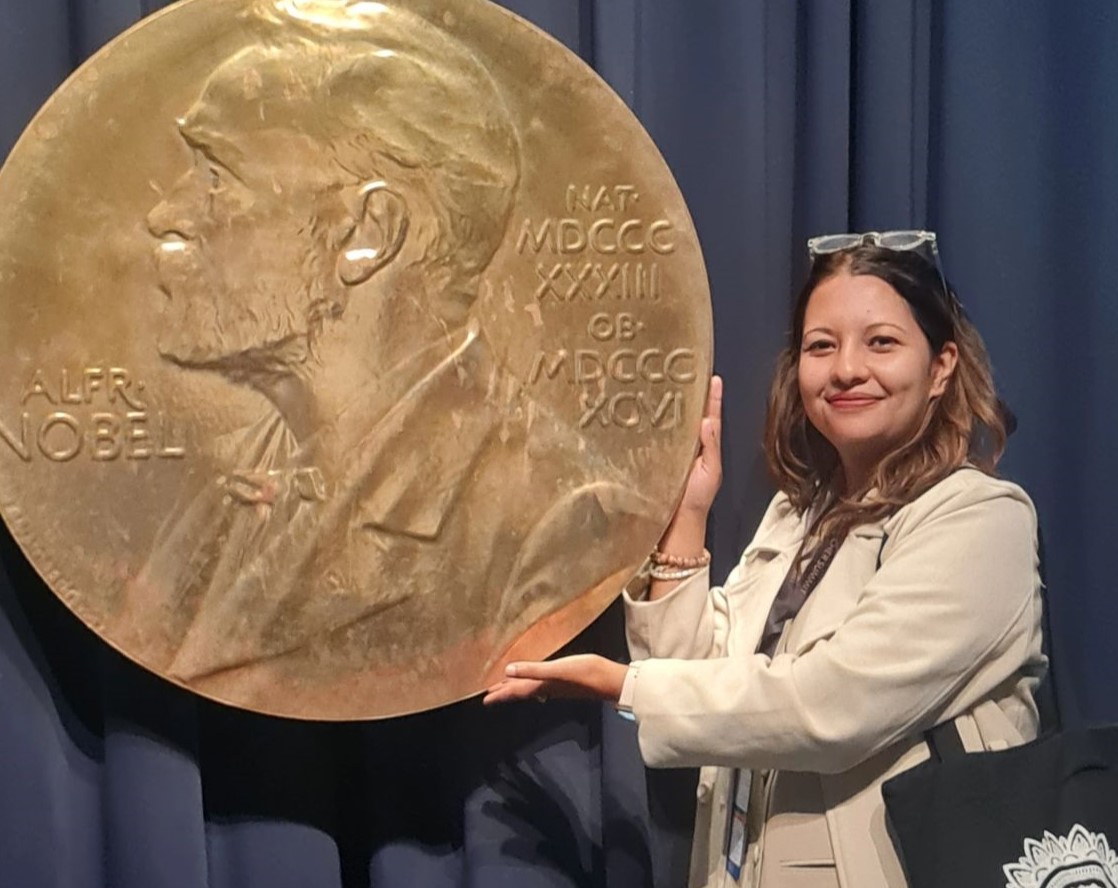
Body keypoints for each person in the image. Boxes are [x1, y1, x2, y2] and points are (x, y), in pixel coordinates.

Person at [120, 0, 659, 714]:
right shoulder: (227, 502)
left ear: (366, 231)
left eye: (217, 176)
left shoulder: (560, 524)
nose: (169, 215)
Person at [486, 231, 1047, 888]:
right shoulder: (797, 513)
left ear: (941, 365)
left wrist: (620, 687)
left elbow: (834, 704)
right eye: (820, 346)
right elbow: (693, 676)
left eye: (881, 343)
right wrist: (688, 513)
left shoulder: (978, 518)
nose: (845, 369)